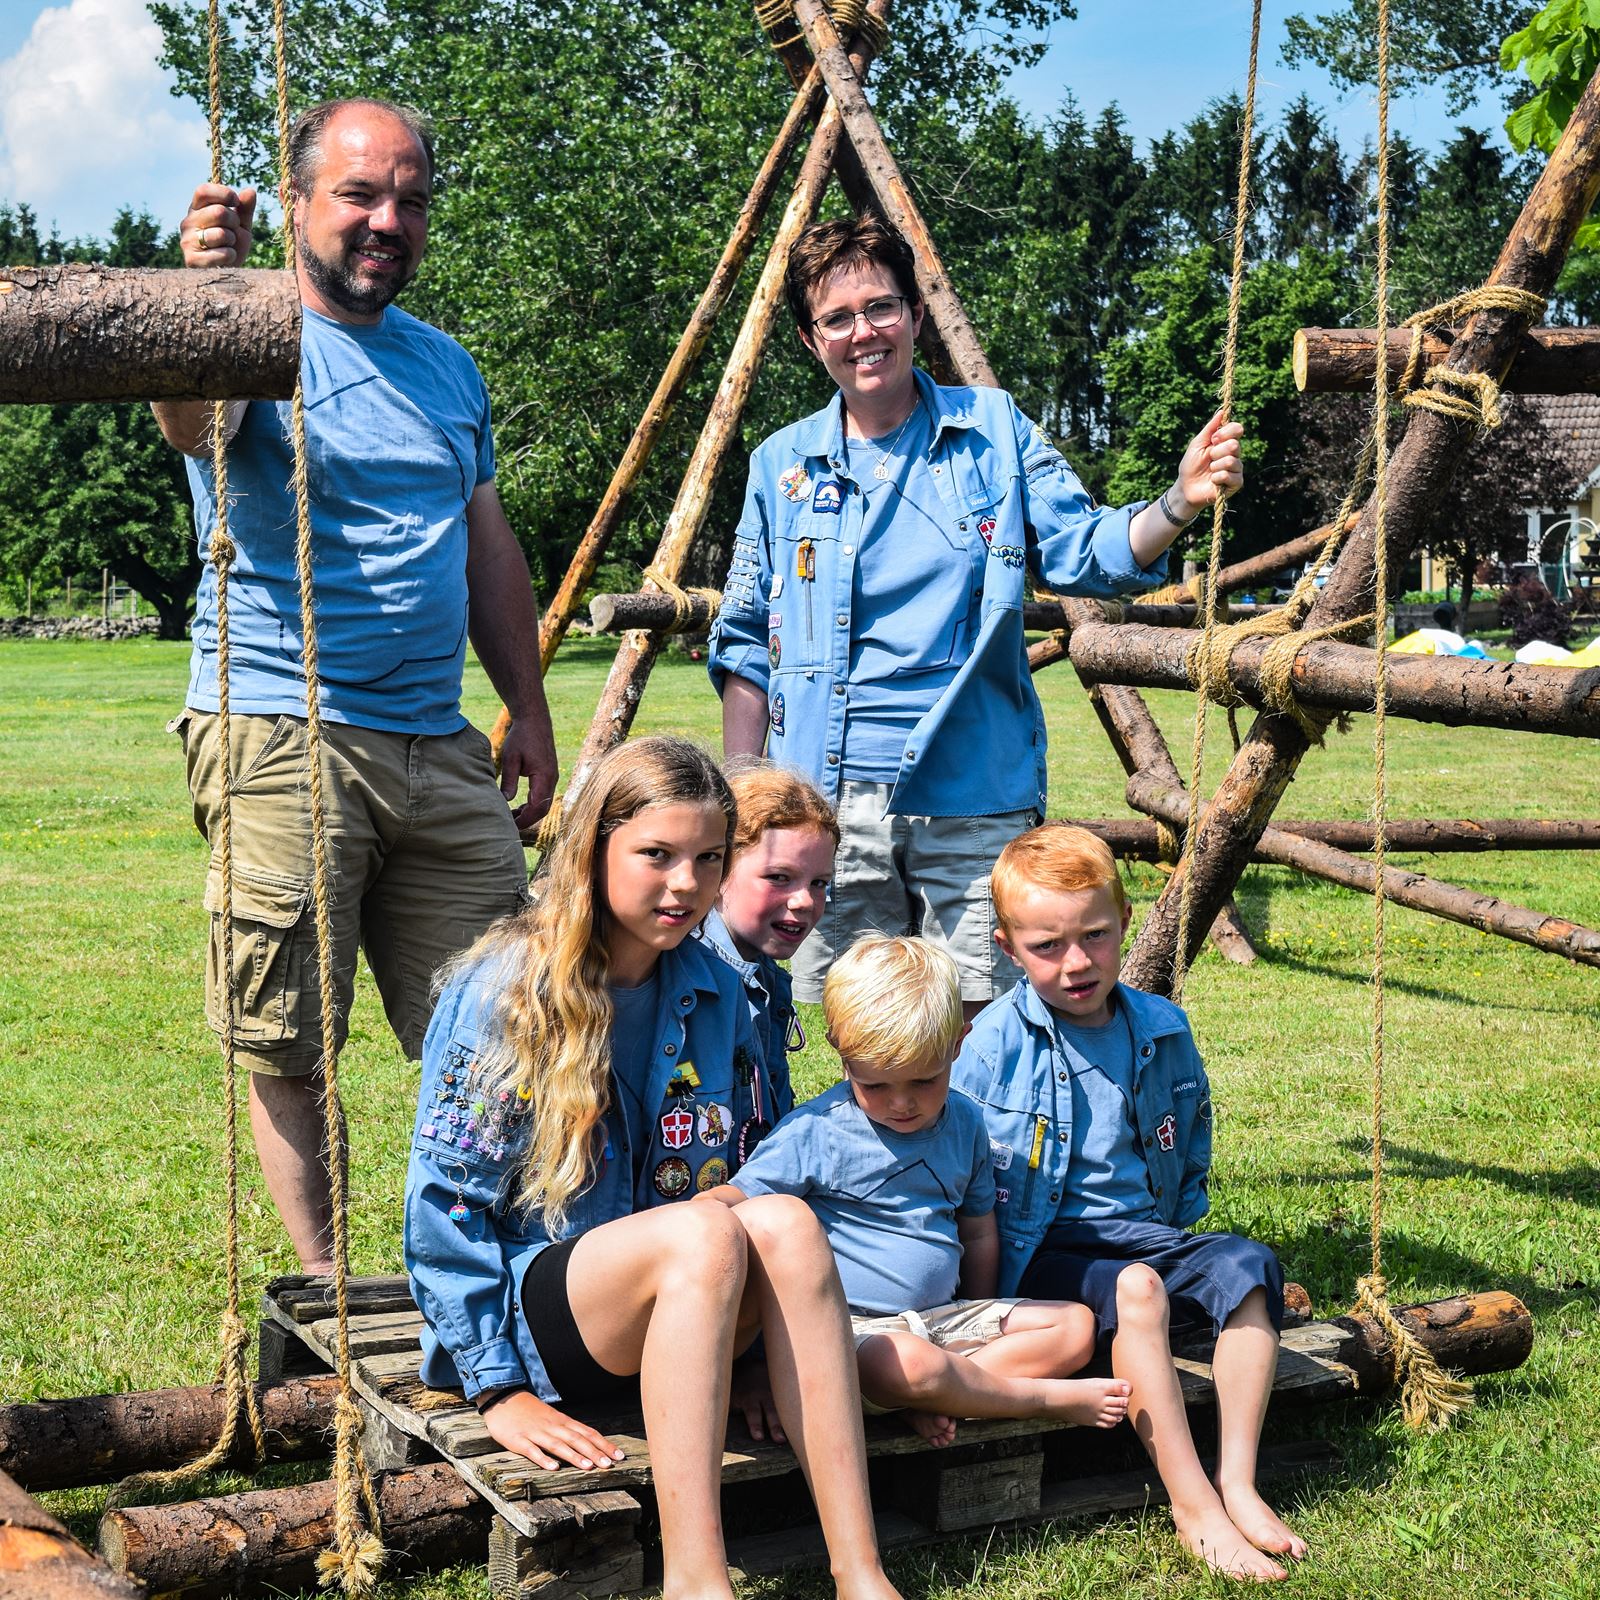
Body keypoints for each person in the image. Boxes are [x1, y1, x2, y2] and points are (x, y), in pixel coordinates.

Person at [151, 98, 558, 1273]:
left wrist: (525, 706)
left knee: (508, 1022)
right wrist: (203, 298)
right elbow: (192, 424)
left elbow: (486, 546)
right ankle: (335, 1303)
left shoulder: (445, 364)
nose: (388, 220)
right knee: (292, 1037)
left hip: (438, 744)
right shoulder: (246, 330)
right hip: (283, 727)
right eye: (359, 195)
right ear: (294, 203)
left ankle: (499, 1270)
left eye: (410, 200)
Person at [708, 213, 1243, 1019]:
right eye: (838, 317)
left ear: (917, 316)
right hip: (827, 801)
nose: (865, 332)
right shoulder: (780, 465)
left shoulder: (992, 432)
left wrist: (1178, 502)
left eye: (882, 307)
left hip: (975, 794)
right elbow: (747, 636)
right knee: (859, 1030)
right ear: (810, 338)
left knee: (986, 1023)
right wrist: (750, 799)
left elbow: (1082, 547)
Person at [404, 736, 902, 1600]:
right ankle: (695, 1583)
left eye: (709, 859)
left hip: (690, 1295)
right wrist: (497, 1390)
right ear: (595, 849)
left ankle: (860, 1573)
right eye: (657, 855)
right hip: (555, 1313)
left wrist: (756, 1357)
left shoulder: (717, 991)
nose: (686, 884)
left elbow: (757, 1176)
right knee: (705, 1233)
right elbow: (446, 1208)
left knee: (783, 1215)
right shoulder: (502, 991)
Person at [952, 824, 1305, 1581]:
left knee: (1248, 1264)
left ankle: (1237, 1480)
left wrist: (1174, 1222)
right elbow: (964, 1171)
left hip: (1144, 1234)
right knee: (1137, 1289)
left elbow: (1191, 1131)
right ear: (1009, 949)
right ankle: (1193, 1505)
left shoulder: (1162, 1028)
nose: (1076, 962)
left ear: (1124, 921)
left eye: (1095, 936)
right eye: (1047, 946)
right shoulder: (989, 1047)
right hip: (1047, 1247)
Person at [699, 934, 1131, 1448]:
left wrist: (982, 1305)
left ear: (958, 1043)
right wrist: (708, 1209)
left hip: (940, 1322)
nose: (902, 1103)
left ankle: (938, 1396)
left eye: (925, 1081)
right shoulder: (816, 1130)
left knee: (1074, 1327)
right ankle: (1031, 1397)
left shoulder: (966, 1122)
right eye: (877, 1086)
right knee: (905, 1362)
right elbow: (742, 1196)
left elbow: (977, 1228)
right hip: (851, 1336)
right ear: (840, 1048)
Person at [695, 760, 839, 1138]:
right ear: (720, 870)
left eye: (820, 883)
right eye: (779, 878)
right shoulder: (690, 983)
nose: (805, 901)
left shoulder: (765, 977)